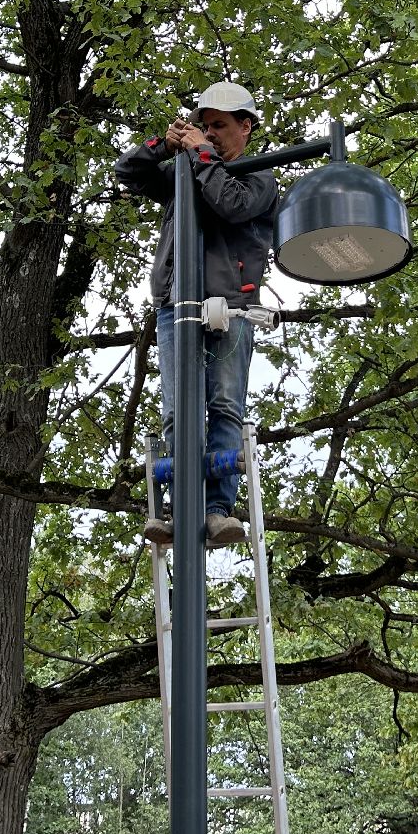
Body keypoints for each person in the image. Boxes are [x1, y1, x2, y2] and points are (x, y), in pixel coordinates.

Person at [115, 82, 278, 547]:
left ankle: (217, 509)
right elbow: (128, 171)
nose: (208, 133)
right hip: (174, 306)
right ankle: (177, 506)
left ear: (245, 128)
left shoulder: (259, 176)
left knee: (224, 403)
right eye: (203, 126)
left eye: (219, 126)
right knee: (175, 410)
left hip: (233, 306)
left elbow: (231, 204)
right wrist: (162, 146)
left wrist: (201, 155)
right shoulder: (184, 173)